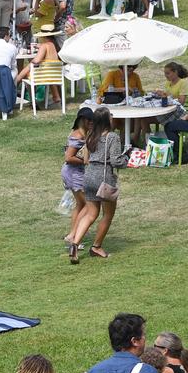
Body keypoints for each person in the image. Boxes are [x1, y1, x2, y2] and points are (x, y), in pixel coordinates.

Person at [66, 106, 123, 262]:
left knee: (91, 213)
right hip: (104, 178)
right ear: (106, 120)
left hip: (89, 176)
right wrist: (128, 159)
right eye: (110, 116)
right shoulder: (113, 137)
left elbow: (86, 157)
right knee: (108, 214)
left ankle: (75, 244)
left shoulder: (90, 135)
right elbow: (116, 160)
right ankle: (96, 247)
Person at [60, 107, 92, 249]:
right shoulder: (78, 136)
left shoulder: (81, 134)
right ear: (83, 120)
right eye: (89, 121)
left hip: (74, 173)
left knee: (80, 205)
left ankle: (71, 235)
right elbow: (68, 157)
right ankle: (73, 236)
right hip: (74, 173)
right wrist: (85, 162)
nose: (92, 123)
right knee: (86, 205)